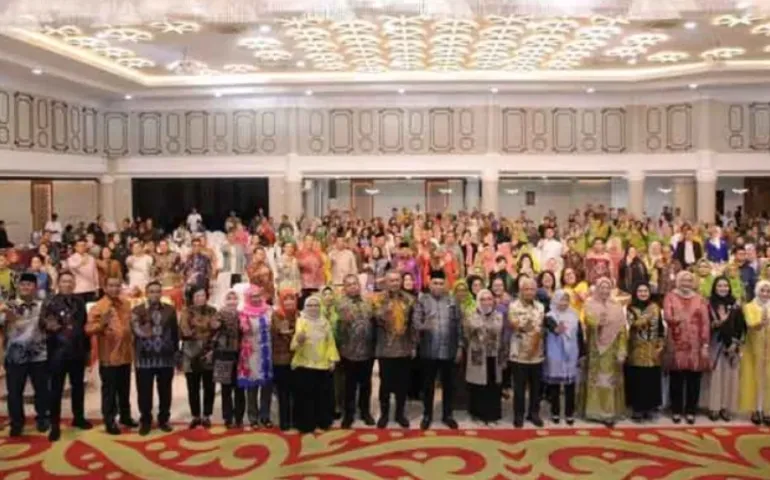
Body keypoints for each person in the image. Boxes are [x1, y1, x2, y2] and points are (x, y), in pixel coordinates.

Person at [41, 271, 92, 441]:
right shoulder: (50, 302)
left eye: (70, 281)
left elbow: (84, 327)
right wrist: (52, 326)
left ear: (74, 284)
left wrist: (87, 351)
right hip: (57, 352)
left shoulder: (79, 301)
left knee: (78, 387)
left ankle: (79, 417)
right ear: (58, 283)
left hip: (77, 352)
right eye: (64, 281)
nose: (68, 284)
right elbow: (44, 324)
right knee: (56, 390)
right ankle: (54, 424)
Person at [86, 276, 137, 435]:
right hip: (109, 356)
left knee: (124, 388)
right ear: (105, 287)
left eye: (117, 285)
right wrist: (102, 323)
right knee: (110, 391)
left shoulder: (126, 304)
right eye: (111, 286)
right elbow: (88, 329)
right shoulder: (99, 306)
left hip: (125, 354)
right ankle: (109, 420)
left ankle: (125, 416)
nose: (115, 289)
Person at [413, 269, 462, 430]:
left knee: (449, 385)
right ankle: (427, 415)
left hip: (449, 350)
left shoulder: (453, 301)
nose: (438, 286)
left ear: (445, 284)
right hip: (429, 351)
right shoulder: (422, 301)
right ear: (430, 284)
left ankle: (448, 415)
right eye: (435, 283)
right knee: (428, 386)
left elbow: (459, 325)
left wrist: (460, 346)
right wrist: (424, 326)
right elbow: (415, 323)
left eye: (441, 283)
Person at [1, 273, 48, 438]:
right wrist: (7, 318)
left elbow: (50, 326)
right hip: (15, 356)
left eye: (29, 284)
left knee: (41, 390)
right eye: (22, 284)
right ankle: (17, 423)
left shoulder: (43, 306)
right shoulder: (8, 306)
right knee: (14, 392)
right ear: (18, 287)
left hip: (39, 355)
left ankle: (42, 419)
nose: (25, 287)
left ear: (35, 287)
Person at [131, 281, 179, 435]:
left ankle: (164, 420)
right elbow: (135, 331)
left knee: (165, 391)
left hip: (165, 358)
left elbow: (175, 333)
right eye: (151, 291)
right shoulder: (138, 310)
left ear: (161, 293)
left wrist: (176, 354)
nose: (155, 294)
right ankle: (145, 421)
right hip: (144, 358)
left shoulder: (170, 310)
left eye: (158, 291)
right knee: (144, 392)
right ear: (146, 293)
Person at [663, 271, 710, 424]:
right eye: (683, 280)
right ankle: (676, 410)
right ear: (678, 281)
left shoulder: (700, 298)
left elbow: (705, 322)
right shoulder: (670, 296)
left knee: (694, 379)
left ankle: (691, 410)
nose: (686, 283)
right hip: (676, 341)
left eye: (689, 280)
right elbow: (667, 316)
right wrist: (677, 319)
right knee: (676, 377)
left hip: (695, 343)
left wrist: (705, 343)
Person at [290, 294, 340, 434]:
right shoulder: (301, 321)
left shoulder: (325, 323)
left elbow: (330, 343)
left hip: (322, 366)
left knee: (322, 397)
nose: (313, 308)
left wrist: (332, 359)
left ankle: (322, 421)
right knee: (305, 397)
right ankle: (305, 424)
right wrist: (299, 340)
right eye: (310, 305)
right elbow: (293, 346)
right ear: (305, 307)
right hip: (304, 365)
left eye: (316, 305)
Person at [582, 276, 627, 428]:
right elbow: (587, 321)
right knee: (596, 380)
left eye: (608, 287)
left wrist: (622, 350)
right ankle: (594, 412)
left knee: (608, 381)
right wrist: (598, 323)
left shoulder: (617, 305)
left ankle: (608, 413)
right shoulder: (589, 303)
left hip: (612, 349)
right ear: (597, 288)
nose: (605, 290)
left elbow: (622, 330)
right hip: (595, 349)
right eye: (602, 287)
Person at [374, 270, 416, 429]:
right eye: (391, 280)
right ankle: (384, 414)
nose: (394, 283)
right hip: (385, 348)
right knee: (385, 384)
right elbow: (375, 319)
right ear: (386, 282)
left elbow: (413, 325)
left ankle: (400, 414)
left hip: (404, 348)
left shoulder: (409, 299)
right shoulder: (378, 300)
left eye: (397, 280)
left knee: (402, 384)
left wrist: (414, 345)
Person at [702, 276, 745, 422]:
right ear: (714, 288)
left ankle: (725, 408)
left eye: (725, 286)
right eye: (720, 286)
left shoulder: (735, 305)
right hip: (715, 345)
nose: (723, 288)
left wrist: (735, 343)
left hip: (731, 347)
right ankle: (713, 407)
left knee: (729, 377)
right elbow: (704, 325)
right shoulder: (708, 304)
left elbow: (741, 326)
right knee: (715, 377)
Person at [336, 274, 376, 429]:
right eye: (349, 285)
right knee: (349, 386)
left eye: (355, 284)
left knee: (366, 384)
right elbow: (338, 330)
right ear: (345, 288)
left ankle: (365, 412)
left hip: (367, 351)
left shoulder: (368, 302)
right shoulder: (340, 305)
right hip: (349, 352)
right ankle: (349, 414)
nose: (353, 287)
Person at [508, 276, 545, 428]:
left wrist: (531, 328)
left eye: (532, 289)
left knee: (536, 387)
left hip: (537, 352)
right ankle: (519, 414)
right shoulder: (513, 306)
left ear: (536, 291)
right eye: (526, 289)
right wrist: (525, 325)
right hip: (519, 353)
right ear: (521, 290)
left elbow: (540, 327)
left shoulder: (540, 307)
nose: (529, 292)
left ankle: (534, 413)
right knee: (519, 387)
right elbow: (515, 324)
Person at [543, 290, 584, 425]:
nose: (564, 303)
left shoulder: (574, 315)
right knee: (555, 385)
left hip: (571, 353)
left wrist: (582, 353)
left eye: (566, 300)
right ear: (555, 300)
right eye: (561, 300)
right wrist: (556, 329)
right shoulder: (549, 316)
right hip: (555, 352)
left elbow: (579, 335)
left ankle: (569, 413)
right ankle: (555, 412)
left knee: (570, 386)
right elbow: (552, 328)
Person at [625, 282, 665, 422]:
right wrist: (646, 317)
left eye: (645, 291)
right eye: (640, 291)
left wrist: (660, 345)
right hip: (636, 348)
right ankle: (638, 409)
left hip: (653, 349)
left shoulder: (655, 307)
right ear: (636, 293)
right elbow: (632, 325)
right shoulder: (631, 308)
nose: (643, 293)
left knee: (651, 379)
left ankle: (650, 408)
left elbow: (660, 328)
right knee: (638, 379)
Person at [465, 289, 504, 424]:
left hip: (493, 354)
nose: (486, 302)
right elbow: (467, 333)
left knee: (493, 384)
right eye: (482, 299)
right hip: (477, 354)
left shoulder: (498, 315)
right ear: (478, 301)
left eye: (489, 299)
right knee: (478, 384)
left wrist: (483, 326)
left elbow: (497, 330)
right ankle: (478, 414)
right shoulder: (471, 315)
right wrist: (483, 326)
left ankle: (492, 415)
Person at [179, 287, 217, 429]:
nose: (200, 298)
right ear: (192, 298)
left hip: (209, 352)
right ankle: (195, 416)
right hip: (191, 354)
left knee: (209, 386)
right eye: (197, 296)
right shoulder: (186, 312)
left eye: (202, 295)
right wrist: (207, 331)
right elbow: (185, 331)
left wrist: (212, 348)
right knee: (192, 387)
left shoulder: (212, 311)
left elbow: (217, 331)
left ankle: (206, 415)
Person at [238, 285, 274, 428]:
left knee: (267, 386)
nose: (256, 299)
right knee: (252, 386)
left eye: (258, 296)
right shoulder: (243, 313)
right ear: (248, 298)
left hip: (268, 352)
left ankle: (265, 416)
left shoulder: (269, 310)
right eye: (253, 296)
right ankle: (253, 417)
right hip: (251, 352)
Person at [212, 291, 245, 429]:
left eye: (234, 298)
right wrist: (216, 324)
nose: (232, 301)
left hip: (240, 354)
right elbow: (214, 326)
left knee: (240, 387)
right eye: (229, 298)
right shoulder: (219, 313)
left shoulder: (242, 314)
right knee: (226, 388)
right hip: (223, 354)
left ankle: (239, 417)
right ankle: (228, 418)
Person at [739, 280, 770, 425]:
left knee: (768, 379)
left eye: (768, 291)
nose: (765, 294)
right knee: (754, 378)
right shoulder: (750, 306)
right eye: (762, 290)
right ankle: (755, 410)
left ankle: (767, 410)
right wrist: (761, 323)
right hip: (754, 349)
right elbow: (750, 324)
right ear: (757, 291)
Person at [271, 288, 298, 431]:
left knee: (295, 391)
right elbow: (281, 333)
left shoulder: (300, 315)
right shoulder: (276, 315)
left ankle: (295, 419)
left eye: (291, 298)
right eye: (285, 299)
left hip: (297, 359)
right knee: (283, 392)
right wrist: (294, 334)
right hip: (280, 359)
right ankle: (284, 421)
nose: (288, 302)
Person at [67, 238, 100, 304]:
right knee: (79, 309)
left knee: (90, 308)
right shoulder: (71, 258)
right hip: (78, 290)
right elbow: (71, 267)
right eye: (79, 246)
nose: (81, 247)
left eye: (83, 245)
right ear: (75, 247)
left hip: (91, 289)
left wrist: (97, 287)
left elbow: (95, 273)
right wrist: (81, 263)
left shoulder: (91, 258)